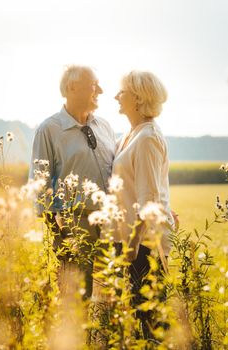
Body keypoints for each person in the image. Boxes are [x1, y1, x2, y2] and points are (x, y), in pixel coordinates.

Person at [29, 65, 116, 299]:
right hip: (74, 225)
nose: (101, 90)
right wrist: (58, 235)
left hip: (111, 223)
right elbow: (40, 184)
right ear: (72, 87)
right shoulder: (49, 129)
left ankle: (107, 337)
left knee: (114, 297)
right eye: (94, 85)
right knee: (77, 298)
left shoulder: (105, 126)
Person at [112, 70, 176, 338]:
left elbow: (147, 198)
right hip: (127, 239)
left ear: (137, 98)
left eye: (122, 91)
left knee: (149, 320)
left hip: (142, 244)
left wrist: (132, 244)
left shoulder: (147, 137)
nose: (116, 95)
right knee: (133, 317)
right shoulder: (130, 135)